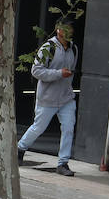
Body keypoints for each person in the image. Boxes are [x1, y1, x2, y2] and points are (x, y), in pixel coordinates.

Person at [16, 21, 79, 177]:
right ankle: (20, 148)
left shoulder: (74, 49)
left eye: (71, 29)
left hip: (66, 97)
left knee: (68, 128)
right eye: (66, 29)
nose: (69, 32)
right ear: (58, 30)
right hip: (47, 98)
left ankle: (63, 162)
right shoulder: (47, 48)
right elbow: (36, 71)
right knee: (39, 127)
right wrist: (58, 73)